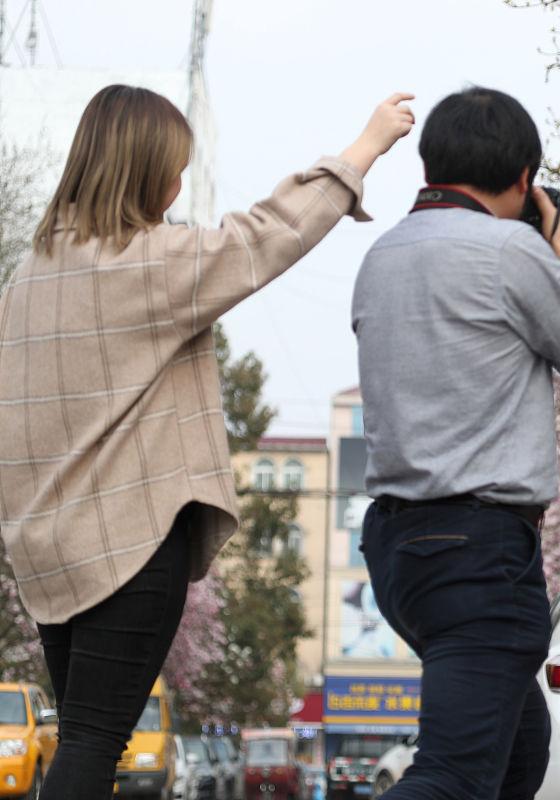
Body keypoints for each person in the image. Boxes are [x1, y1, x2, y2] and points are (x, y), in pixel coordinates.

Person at [0, 83, 414, 798]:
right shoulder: (146, 263)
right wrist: (365, 147)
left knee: (82, 741)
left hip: (47, 554)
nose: (180, 182)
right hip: (128, 544)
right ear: (140, 171)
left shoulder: (28, 276)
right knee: (94, 747)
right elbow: (267, 236)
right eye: (174, 166)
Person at [352, 86, 560, 800]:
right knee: (454, 776)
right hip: (478, 552)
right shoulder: (509, 250)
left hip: (398, 551)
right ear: (524, 178)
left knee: (518, 754)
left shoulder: (382, 254)